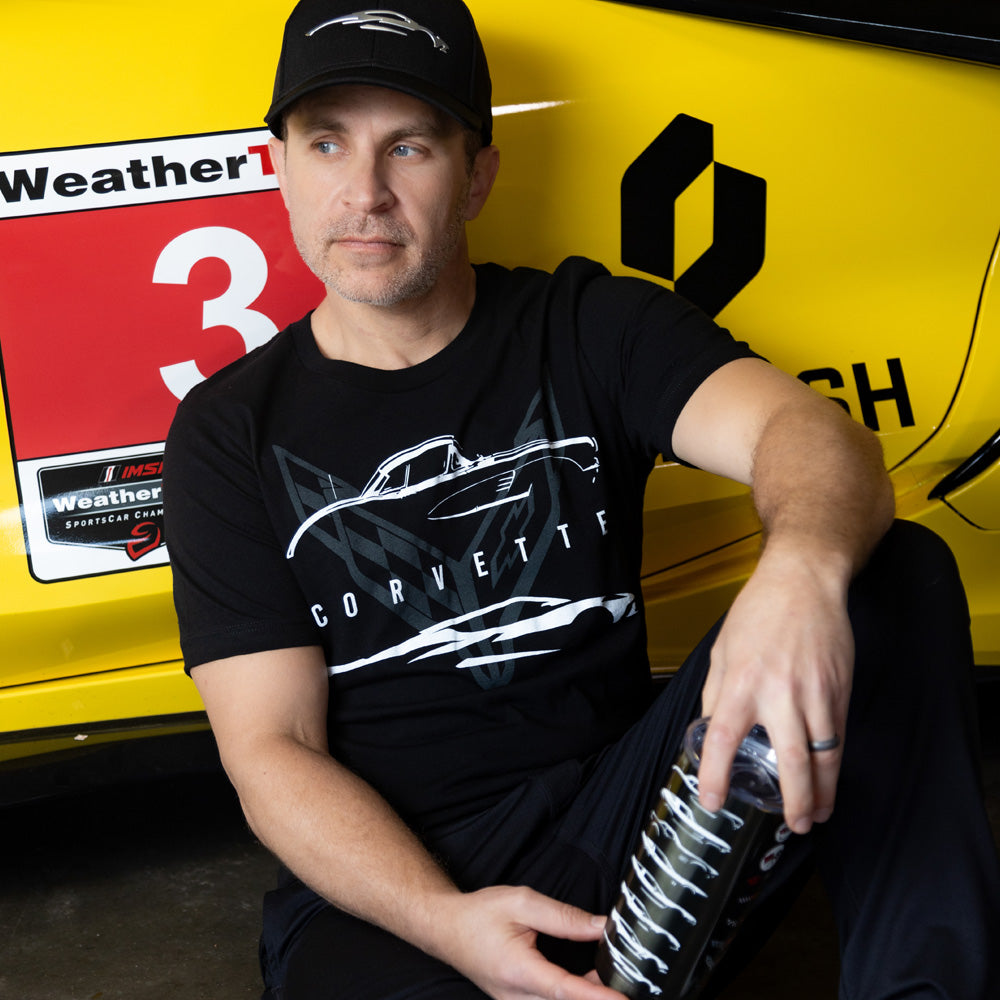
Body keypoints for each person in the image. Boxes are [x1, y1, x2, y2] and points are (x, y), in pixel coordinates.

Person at [163, 2, 1000, 997]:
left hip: (631, 829)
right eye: (328, 143)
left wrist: (802, 572)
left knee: (889, 574)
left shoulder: (587, 322)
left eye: (411, 146)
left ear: (477, 174)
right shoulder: (229, 431)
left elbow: (809, 437)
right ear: (282, 170)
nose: (366, 193)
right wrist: (447, 922)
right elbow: (272, 751)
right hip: (393, 892)